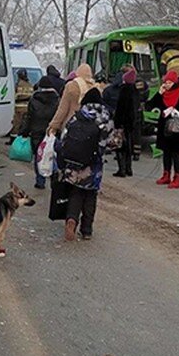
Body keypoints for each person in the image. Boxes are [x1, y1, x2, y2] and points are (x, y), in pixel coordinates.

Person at [55, 87, 113, 241]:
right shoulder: (105, 116)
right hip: (93, 165)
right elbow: (108, 142)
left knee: (75, 192)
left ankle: (71, 219)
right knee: (90, 195)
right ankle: (86, 230)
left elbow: (65, 138)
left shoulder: (78, 115)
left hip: (74, 163)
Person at [146, 70, 179, 188]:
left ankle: (177, 178)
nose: (167, 85)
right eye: (165, 82)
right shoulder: (163, 95)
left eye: (169, 83)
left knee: (176, 153)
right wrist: (158, 94)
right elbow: (149, 106)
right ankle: (166, 175)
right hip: (165, 129)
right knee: (166, 152)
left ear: (175, 82)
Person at [18, 77, 60, 189]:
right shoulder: (57, 100)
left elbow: (29, 117)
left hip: (36, 133)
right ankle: (54, 176)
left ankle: (40, 182)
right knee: (52, 155)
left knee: (39, 156)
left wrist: (24, 131)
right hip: (52, 132)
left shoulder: (34, 99)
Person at [47, 63, 94, 136]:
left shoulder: (71, 86)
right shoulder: (95, 88)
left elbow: (62, 109)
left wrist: (54, 126)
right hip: (88, 130)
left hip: (70, 126)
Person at [113, 67, 139, 178]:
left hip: (122, 123)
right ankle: (129, 169)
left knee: (119, 146)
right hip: (131, 122)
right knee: (129, 146)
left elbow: (120, 108)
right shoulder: (135, 91)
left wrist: (117, 123)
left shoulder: (124, 91)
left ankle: (121, 169)